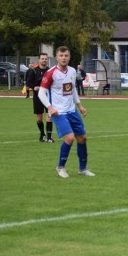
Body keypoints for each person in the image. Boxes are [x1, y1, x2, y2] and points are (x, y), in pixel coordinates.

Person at [38, 46, 94, 178]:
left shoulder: (73, 71)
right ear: (57, 57)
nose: (64, 58)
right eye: (61, 56)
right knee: (69, 138)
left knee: (82, 138)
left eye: (66, 55)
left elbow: (73, 89)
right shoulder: (51, 73)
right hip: (59, 112)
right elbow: (41, 93)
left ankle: (82, 169)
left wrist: (79, 105)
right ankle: (60, 167)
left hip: (72, 110)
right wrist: (50, 108)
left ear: (69, 57)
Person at [25, 52, 53, 142]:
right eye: (42, 58)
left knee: (49, 116)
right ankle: (42, 134)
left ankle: (49, 137)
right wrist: (34, 87)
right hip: (38, 97)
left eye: (45, 59)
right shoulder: (33, 71)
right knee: (39, 118)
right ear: (39, 59)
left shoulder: (50, 71)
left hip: (48, 96)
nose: (44, 60)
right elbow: (28, 83)